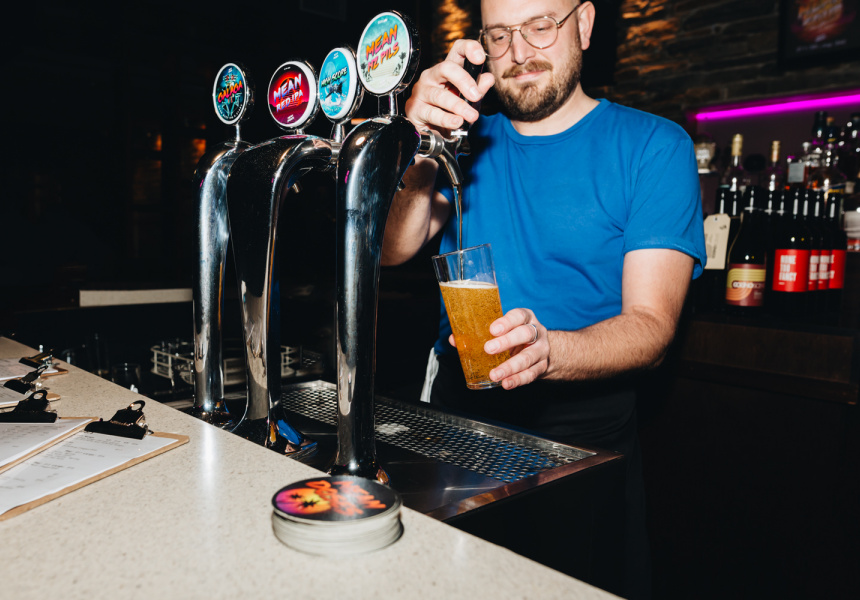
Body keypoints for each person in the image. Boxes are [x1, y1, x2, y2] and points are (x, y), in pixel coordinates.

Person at [382, 1, 707, 598]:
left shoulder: (653, 146)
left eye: (540, 26)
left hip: (583, 437)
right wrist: (421, 147)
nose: (519, 52)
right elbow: (393, 249)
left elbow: (652, 327)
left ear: (583, 24)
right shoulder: (461, 141)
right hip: (458, 418)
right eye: (499, 35)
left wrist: (547, 350)